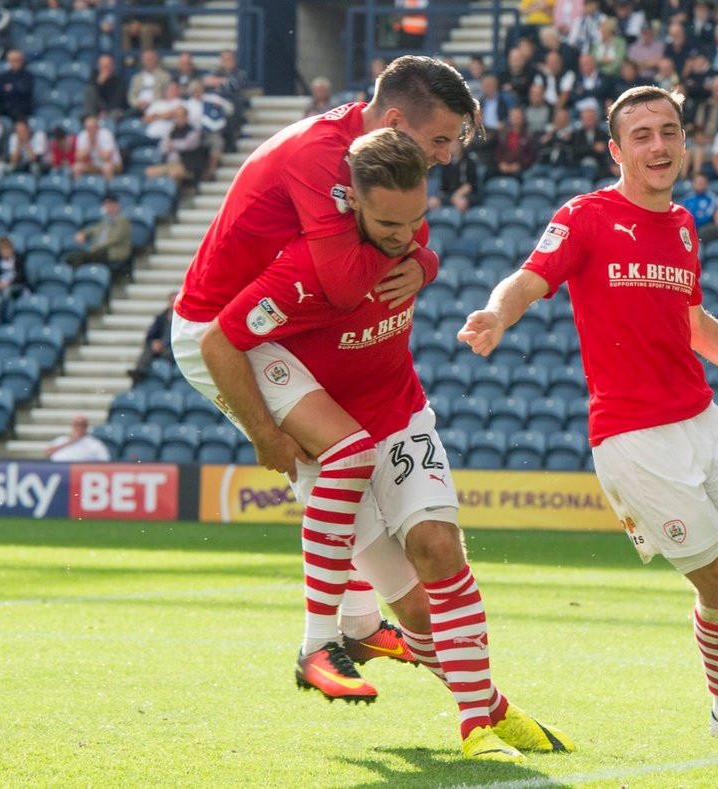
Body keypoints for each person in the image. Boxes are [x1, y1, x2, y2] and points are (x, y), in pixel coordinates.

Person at [459, 85, 718, 744]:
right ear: (617, 149)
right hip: (633, 439)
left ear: (684, 140)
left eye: (668, 131)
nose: (658, 144)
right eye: (641, 134)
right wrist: (498, 313)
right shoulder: (585, 215)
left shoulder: (681, 224)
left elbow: (691, 320)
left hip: (703, 419)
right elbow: (530, 277)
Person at [197, 126, 573, 762]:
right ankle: (491, 709)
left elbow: (418, 244)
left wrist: (424, 261)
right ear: (350, 200)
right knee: (418, 617)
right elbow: (218, 341)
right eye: (389, 223)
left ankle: (474, 727)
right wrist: (265, 431)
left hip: (401, 418)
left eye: (416, 220)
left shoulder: (408, 231)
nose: (405, 235)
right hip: (333, 442)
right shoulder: (304, 271)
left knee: (439, 547)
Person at [171, 55, 480, 691]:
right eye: (443, 139)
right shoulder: (322, 156)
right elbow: (341, 285)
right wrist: (422, 256)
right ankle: (319, 644)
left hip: (279, 329)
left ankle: (361, 624)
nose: (448, 156)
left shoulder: (368, 161)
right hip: (225, 336)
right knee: (344, 456)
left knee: (343, 477)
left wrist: (423, 260)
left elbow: (393, 239)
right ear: (396, 121)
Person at [65, 194, 133, 274]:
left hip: (112, 252)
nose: (108, 207)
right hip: (100, 252)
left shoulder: (122, 220)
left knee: (78, 258)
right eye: (106, 204)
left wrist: (96, 247)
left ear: (117, 205)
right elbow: (94, 229)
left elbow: (114, 239)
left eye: (111, 204)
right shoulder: (106, 220)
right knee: (71, 257)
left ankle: (78, 277)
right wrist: (83, 233)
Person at [129, 292, 176, 382]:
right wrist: (154, 343)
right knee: (148, 350)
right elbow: (150, 335)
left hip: (173, 349)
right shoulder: (161, 317)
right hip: (161, 347)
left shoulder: (183, 319)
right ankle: (139, 371)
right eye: (172, 301)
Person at [46, 415, 111, 462]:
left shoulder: (94, 444)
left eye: (81, 425)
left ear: (86, 427)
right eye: (76, 425)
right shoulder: (61, 440)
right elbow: (48, 452)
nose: (79, 428)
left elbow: (105, 461)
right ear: (73, 426)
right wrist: (70, 441)